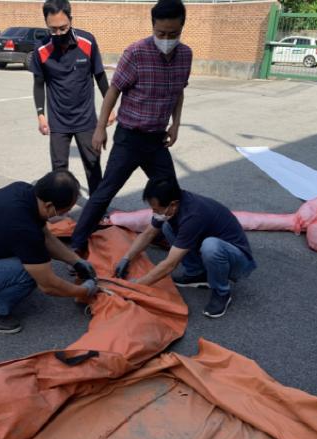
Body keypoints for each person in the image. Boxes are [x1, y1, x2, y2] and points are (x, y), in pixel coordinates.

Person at [70, 0, 192, 254]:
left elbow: (179, 91)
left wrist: (176, 124)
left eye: (173, 34)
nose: (166, 39)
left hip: (157, 140)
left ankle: (170, 237)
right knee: (105, 192)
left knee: (170, 193)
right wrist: (100, 128)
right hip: (130, 138)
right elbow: (113, 91)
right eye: (161, 33)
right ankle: (77, 244)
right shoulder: (136, 53)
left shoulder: (185, 55)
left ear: (182, 27)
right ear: (152, 26)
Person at [0, 170, 99, 334]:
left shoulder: (23, 191)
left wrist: (75, 260)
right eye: (64, 211)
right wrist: (84, 290)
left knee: (34, 256)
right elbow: (47, 285)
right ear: (49, 205)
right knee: (29, 273)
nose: (66, 215)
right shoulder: (23, 228)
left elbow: (45, 237)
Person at [114, 178, 257, 318]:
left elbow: (170, 264)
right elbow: (148, 233)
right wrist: (126, 258)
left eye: (157, 209)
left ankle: (222, 292)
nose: (154, 213)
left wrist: (138, 285)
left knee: (211, 246)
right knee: (168, 227)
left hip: (238, 259)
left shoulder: (193, 216)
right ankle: (197, 273)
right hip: (217, 247)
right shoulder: (175, 202)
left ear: (173, 204)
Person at [31, 0, 114, 195]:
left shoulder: (87, 42)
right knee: (59, 170)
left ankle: (97, 208)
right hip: (58, 120)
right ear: (46, 23)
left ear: (71, 20)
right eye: (53, 29)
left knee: (93, 164)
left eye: (63, 28)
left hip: (86, 119)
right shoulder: (41, 49)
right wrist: (41, 115)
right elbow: (38, 84)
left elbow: (100, 76)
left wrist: (109, 109)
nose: (59, 33)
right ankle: (61, 208)